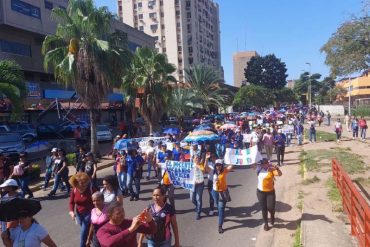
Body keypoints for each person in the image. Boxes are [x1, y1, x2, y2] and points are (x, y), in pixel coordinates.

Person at [69, 172, 97, 247]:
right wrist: (71, 211)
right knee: (87, 232)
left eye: (85, 184)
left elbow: (98, 201)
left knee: (83, 233)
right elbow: (71, 202)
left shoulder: (91, 189)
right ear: (76, 183)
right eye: (81, 184)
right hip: (79, 214)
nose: (84, 186)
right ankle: (94, 243)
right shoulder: (74, 190)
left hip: (89, 213)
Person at [254, 158, 282, 231]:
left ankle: (272, 216)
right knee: (264, 209)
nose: (264, 165)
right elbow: (253, 165)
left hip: (270, 192)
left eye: (265, 163)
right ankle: (266, 224)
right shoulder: (259, 169)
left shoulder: (272, 169)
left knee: (271, 208)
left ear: (268, 163)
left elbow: (279, 174)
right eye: (262, 164)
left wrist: (277, 168)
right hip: (260, 192)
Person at [211, 159, 233, 234]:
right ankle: (223, 216)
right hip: (214, 192)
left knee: (220, 209)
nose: (218, 166)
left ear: (222, 165)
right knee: (219, 207)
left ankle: (220, 226)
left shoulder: (225, 170)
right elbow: (205, 167)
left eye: (219, 165)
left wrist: (232, 158)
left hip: (223, 192)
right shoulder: (213, 171)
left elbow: (231, 166)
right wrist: (206, 159)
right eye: (217, 165)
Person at [191, 154, 205, 220]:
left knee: (198, 199)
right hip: (192, 185)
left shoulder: (201, 165)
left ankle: (198, 213)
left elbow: (203, 171)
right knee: (192, 199)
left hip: (200, 185)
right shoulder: (190, 165)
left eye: (198, 158)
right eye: (195, 158)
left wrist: (198, 166)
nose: (196, 159)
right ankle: (197, 206)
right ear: (193, 159)